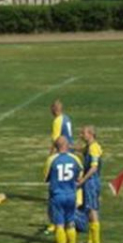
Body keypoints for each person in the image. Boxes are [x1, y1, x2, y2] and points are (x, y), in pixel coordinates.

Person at [44, 136, 84, 243]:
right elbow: (80, 174)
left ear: (56, 147)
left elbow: (46, 177)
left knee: (59, 225)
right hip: (71, 195)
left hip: (57, 195)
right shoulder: (75, 159)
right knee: (71, 223)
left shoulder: (51, 159)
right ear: (66, 145)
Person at [45, 99, 74, 234]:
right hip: (70, 153)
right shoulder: (67, 118)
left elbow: (56, 140)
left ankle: (55, 223)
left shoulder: (57, 121)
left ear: (55, 109)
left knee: (54, 190)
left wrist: (51, 156)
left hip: (61, 154)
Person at [76, 125, 103, 243]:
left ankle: (96, 242)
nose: (81, 135)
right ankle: (91, 240)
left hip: (91, 182)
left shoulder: (94, 148)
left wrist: (83, 180)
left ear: (90, 134)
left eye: (83, 133)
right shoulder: (89, 147)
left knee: (92, 210)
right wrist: (68, 147)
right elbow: (82, 150)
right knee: (88, 209)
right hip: (89, 182)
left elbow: (94, 168)